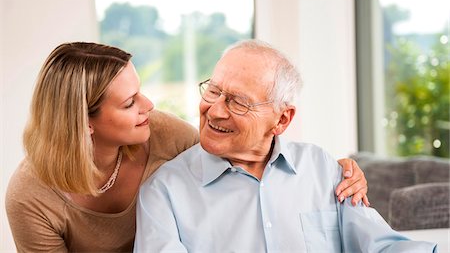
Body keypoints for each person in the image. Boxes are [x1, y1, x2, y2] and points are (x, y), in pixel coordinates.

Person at [5, 42, 368, 252]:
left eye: (140, 90)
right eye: (130, 102)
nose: (149, 106)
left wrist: (335, 170)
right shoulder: (31, 196)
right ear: (84, 123)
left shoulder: (163, 134)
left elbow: (243, 151)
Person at [134, 39, 437, 252]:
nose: (215, 110)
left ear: (282, 120)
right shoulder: (164, 191)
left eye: (238, 102)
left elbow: (381, 245)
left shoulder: (321, 168)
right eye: (213, 91)